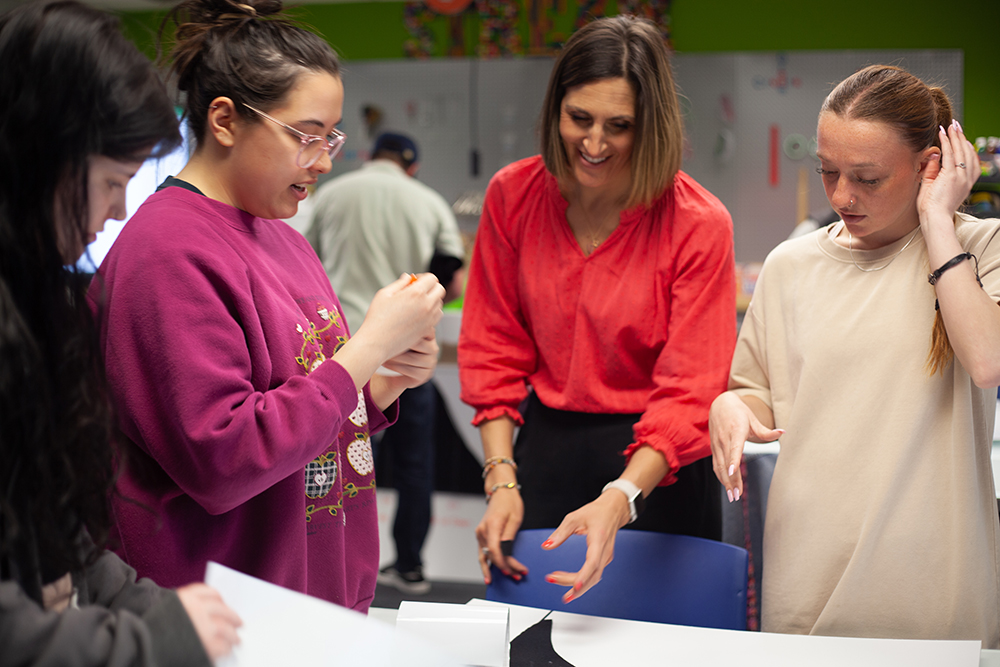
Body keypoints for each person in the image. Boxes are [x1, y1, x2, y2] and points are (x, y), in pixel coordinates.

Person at [90, 0, 445, 613]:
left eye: (331, 136)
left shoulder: (281, 237)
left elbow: (305, 408)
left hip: (315, 600)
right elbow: (225, 458)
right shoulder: (167, 252)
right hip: (225, 617)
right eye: (305, 135)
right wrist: (366, 348)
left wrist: (379, 384)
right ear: (225, 120)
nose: (325, 159)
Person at [710, 64, 1000, 647]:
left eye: (867, 177)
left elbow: (987, 360)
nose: (843, 196)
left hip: (934, 596)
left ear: (930, 166)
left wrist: (938, 221)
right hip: (806, 586)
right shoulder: (790, 265)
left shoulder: (979, 246)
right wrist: (730, 407)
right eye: (828, 172)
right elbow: (753, 388)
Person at [458, 15, 736, 601]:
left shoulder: (697, 223)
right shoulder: (514, 195)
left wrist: (624, 495)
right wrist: (501, 478)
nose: (593, 143)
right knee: (535, 635)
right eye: (579, 118)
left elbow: (690, 390)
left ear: (651, 125)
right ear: (555, 108)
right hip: (545, 451)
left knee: (655, 639)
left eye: (620, 126)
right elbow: (493, 350)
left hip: (659, 468)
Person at [0, 2, 241, 664]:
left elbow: (47, 526)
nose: (114, 214)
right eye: (111, 182)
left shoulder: (37, 293)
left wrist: (140, 603)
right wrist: (150, 637)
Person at [308, 132, 466, 594]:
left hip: (339, 352)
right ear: (410, 165)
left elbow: (303, 262)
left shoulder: (330, 196)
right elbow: (450, 279)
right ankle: (411, 564)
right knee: (415, 464)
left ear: (372, 156)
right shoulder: (429, 201)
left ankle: (337, 567)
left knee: (343, 462)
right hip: (407, 356)